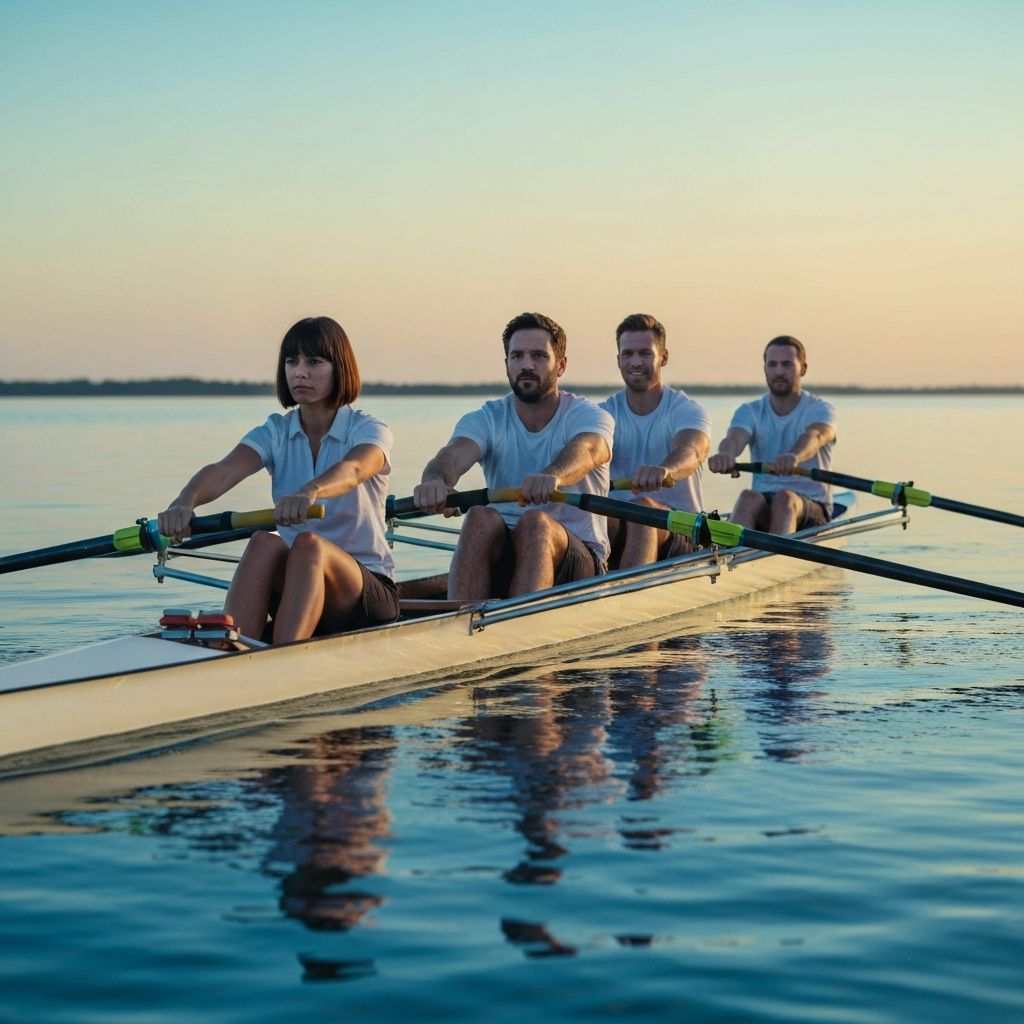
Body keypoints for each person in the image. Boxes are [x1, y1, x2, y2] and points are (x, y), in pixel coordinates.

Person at [157, 316, 399, 643]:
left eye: (314, 362)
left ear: (340, 367)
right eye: (291, 361)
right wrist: (184, 502)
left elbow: (355, 469)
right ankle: (229, 647)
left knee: (308, 544)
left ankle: (282, 658)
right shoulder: (275, 431)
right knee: (263, 541)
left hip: (366, 591)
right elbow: (224, 469)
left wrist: (310, 491)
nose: (299, 372)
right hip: (301, 582)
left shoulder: (368, 428)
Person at [413, 312, 614, 601]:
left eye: (539, 356)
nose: (527, 365)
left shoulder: (589, 416)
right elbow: (453, 455)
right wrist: (435, 480)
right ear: (507, 364)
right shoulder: (487, 418)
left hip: (580, 560)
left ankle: (518, 627)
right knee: (479, 516)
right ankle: (459, 624)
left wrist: (553, 475)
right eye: (517, 356)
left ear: (561, 365)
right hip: (508, 553)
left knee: (535, 522)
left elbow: (589, 450)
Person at [599, 314, 711, 568]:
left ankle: (628, 596)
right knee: (581, 517)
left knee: (644, 509)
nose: (635, 362)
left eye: (645, 353)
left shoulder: (686, 410)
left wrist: (666, 469)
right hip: (621, 522)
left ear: (664, 357)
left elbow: (692, 450)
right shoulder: (602, 415)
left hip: (682, 531)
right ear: (618, 360)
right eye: (627, 354)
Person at [708, 335, 836, 533]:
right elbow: (734, 438)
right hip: (765, 503)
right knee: (747, 497)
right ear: (765, 368)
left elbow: (816, 436)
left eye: (787, 365)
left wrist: (795, 456)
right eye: (772, 364)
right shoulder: (749, 411)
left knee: (784, 498)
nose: (778, 372)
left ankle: (777, 557)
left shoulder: (820, 409)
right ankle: (731, 559)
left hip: (811, 505)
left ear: (803, 368)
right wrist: (726, 454)